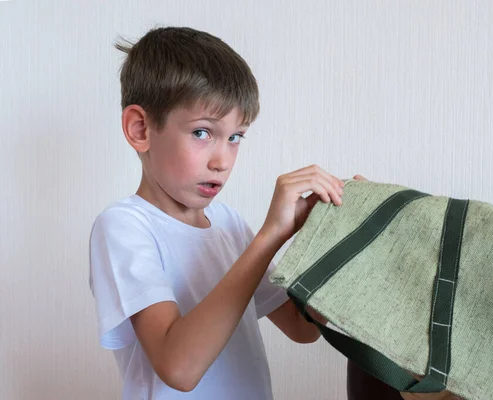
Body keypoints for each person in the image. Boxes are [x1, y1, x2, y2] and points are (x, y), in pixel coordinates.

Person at [88, 26, 355, 399]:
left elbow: (302, 327)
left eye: (235, 137)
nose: (222, 160)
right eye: (202, 133)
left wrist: (338, 235)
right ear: (140, 128)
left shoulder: (229, 225)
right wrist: (269, 236)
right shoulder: (123, 227)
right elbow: (178, 368)